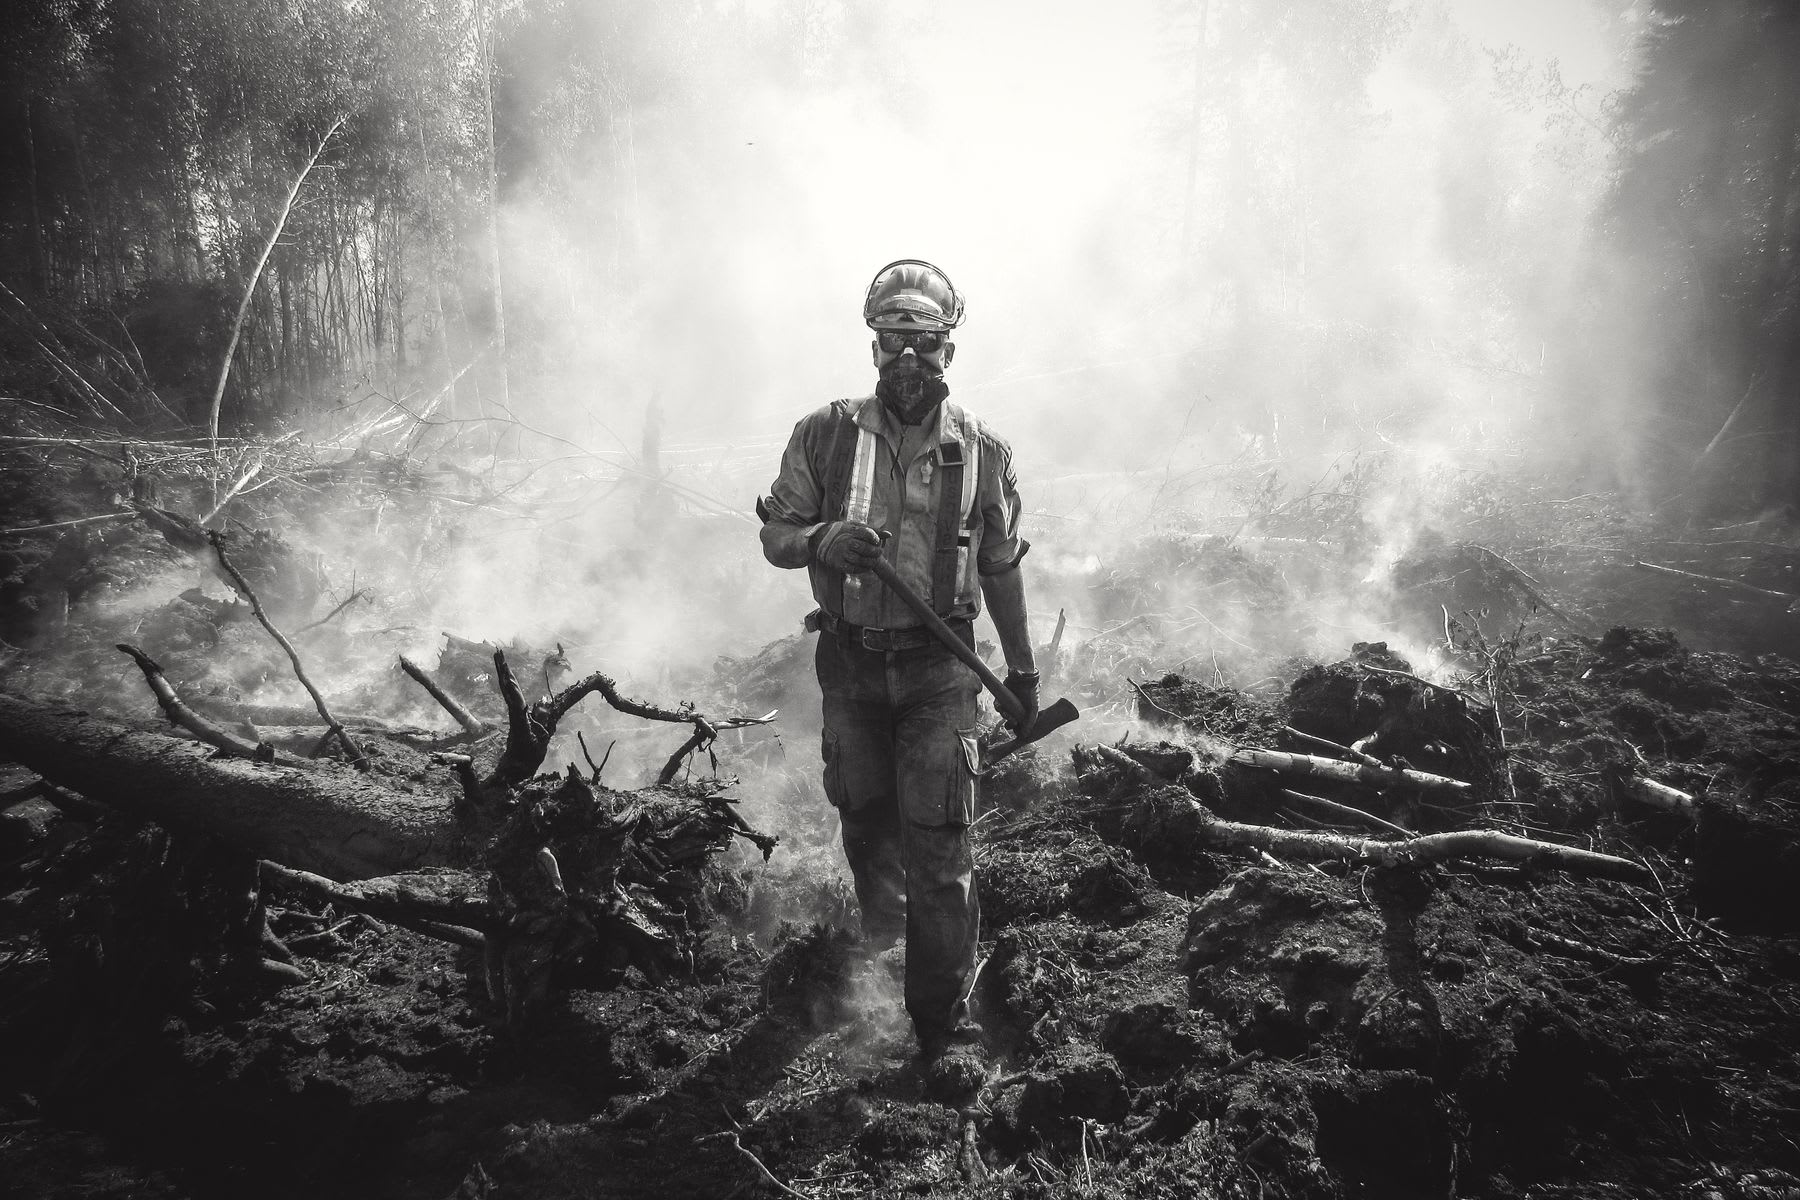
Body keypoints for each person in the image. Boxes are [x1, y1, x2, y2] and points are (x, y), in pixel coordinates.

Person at [756, 260, 1039, 1084]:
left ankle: (938, 1025)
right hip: (849, 665)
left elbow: (1001, 566)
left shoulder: (984, 451)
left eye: (925, 343)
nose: (908, 360)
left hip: (938, 676)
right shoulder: (825, 434)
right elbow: (776, 534)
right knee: (867, 822)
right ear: (873, 345)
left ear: (949, 349)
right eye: (893, 343)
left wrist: (1020, 674)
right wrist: (816, 542)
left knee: (940, 846)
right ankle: (882, 950)